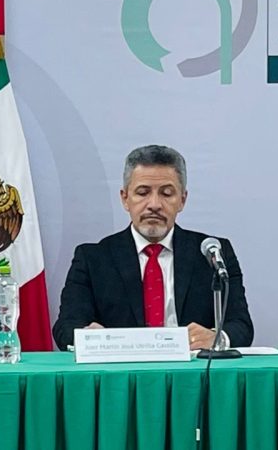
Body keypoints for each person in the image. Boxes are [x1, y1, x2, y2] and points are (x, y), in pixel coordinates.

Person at [52, 145, 254, 351]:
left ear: (182, 200)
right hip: (122, 374)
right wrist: (87, 336)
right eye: (143, 193)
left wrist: (217, 338)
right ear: (125, 199)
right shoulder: (93, 258)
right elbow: (65, 327)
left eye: (166, 194)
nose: (154, 204)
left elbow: (241, 326)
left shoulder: (212, 253)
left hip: (193, 374)